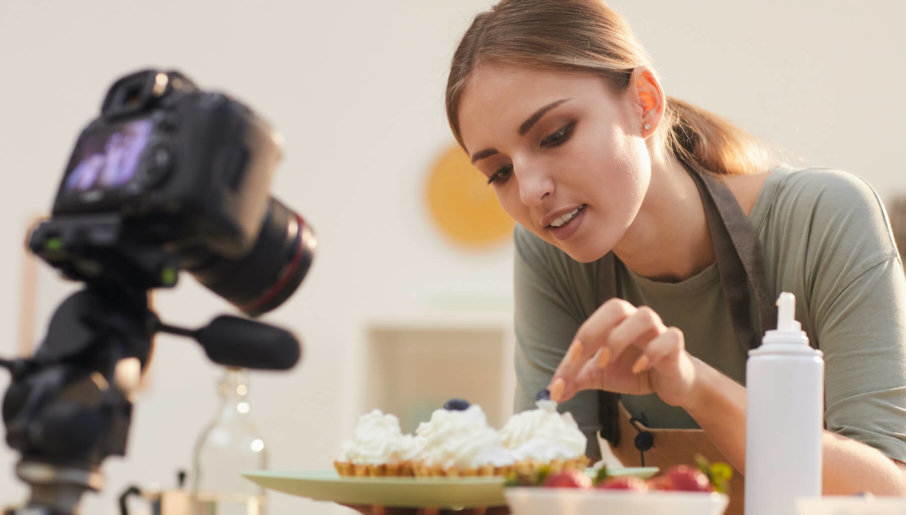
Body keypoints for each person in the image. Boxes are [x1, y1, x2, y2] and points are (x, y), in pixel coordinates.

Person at [443, 0, 906, 513]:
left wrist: (695, 385)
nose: (530, 191)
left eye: (555, 135)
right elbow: (547, 478)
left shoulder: (824, 217)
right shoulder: (549, 253)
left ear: (644, 101)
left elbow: (890, 494)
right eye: (500, 172)